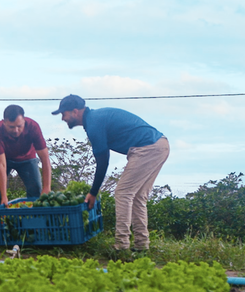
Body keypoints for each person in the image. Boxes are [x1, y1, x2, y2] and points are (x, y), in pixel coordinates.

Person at [52, 94, 169, 253]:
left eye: (63, 114)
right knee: (138, 196)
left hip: (147, 147)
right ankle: (142, 245)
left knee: (123, 193)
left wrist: (93, 192)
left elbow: (103, 161)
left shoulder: (94, 123)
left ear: (74, 111)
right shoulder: (94, 119)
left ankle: (121, 246)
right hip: (159, 145)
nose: (62, 118)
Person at [0, 105, 52, 233]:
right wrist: (4, 196)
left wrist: (47, 187)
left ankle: (35, 229)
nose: (16, 130)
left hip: (27, 158)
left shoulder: (33, 127)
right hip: (3, 159)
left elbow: (45, 159)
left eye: (19, 126)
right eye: (11, 127)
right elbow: (1, 165)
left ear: (24, 121)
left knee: (36, 188)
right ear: (4, 122)